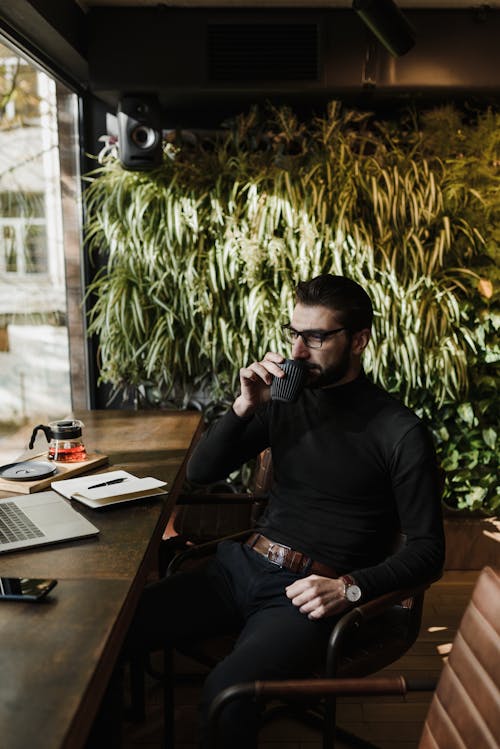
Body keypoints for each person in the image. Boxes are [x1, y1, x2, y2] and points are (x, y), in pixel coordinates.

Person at [128, 274, 445, 748]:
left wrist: (350, 588)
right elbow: (201, 471)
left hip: (304, 595)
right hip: (239, 567)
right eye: (294, 333)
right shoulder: (286, 402)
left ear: (359, 340)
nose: (298, 351)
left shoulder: (398, 432)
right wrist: (243, 408)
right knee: (114, 632)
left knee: (228, 692)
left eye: (316, 337)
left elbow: (428, 551)